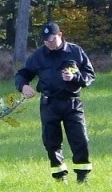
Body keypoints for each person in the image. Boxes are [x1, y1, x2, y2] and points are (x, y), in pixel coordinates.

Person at [15, 21, 96, 183]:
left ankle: (82, 176)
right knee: (51, 142)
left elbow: (89, 75)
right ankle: (60, 177)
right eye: (46, 40)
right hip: (49, 103)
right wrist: (23, 86)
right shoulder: (38, 56)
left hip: (72, 102)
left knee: (80, 139)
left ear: (60, 35)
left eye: (52, 39)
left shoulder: (75, 51)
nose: (49, 43)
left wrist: (75, 78)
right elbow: (22, 74)